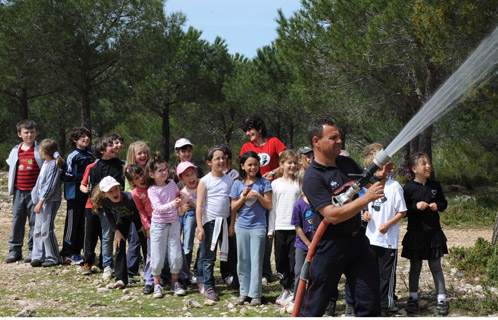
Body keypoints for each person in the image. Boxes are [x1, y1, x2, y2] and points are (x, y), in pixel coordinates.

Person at [298, 118, 386, 317]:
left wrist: (380, 176)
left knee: (370, 299)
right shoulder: (313, 177)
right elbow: (332, 215)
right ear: (316, 141)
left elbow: (371, 185)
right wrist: (365, 200)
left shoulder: (346, 162)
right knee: (315, 302)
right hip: (330, 245)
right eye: (333, 138)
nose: (339, 141)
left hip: (357, 241)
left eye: (339, 137)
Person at [240, 114, 286, 284]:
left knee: (270, 233)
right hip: (254, 196)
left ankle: (268, 272)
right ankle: (258, 271)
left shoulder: (274, 142)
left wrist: (273, 172)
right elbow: (244, 168)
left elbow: (286, 160)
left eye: (250, 129)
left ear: (259, 129)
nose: (247, 133)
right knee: (257, 232)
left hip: (274, 193)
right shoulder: (246, 147)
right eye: (246, 131)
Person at [361, 143, 407, 316]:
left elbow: (402, 211)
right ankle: (373, 304)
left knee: (385, 275)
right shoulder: (369, 187)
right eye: (374, 168)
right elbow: (365, 205)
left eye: (380, 167)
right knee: (371, 272)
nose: (377, 171)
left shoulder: (394, 187)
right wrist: (365, 213)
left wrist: (388, 224)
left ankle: (385, 305)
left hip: (388, 241)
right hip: (370, 238)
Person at [402, 152, 450, 316]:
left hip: (434, 234)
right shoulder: (408, 188)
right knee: (415, 267)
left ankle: (442, 300)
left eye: (429, 163)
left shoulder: (435, 185)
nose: (428, 166)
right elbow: (403, 211)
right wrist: (415, 207)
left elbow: (444, 202)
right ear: (414, 169)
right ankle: (413, 298)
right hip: (415, 234)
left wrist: (439, 205)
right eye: (424, 163)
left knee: (436, 266)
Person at [230, 151, 272, 306]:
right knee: (242, 260)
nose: (253, 167)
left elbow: (269, 205)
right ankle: (244, 293)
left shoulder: (264, 183)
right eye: (249, 164)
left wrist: (258, 196)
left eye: (255, 164)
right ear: (242, 166)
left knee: (256, 260)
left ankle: (256, 294)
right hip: (242, 227)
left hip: (258, 226)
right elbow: (233, 207)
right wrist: (243, 196)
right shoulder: (237, 184)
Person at [92, 176, 145, 289]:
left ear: (120, 188)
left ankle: (152, 276)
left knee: (145, 244)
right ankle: (121, 278)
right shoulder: (104, 201)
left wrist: (142, 226)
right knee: (119, 244)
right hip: (123, 218)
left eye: (116, 189)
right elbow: (109, 216)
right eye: (110, 191)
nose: (114, 193)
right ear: (104, 194)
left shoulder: (129, 198)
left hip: (138, 218)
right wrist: (116, 231)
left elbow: (139, 211)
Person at [196, 146, 234, 302]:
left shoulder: (230, 180)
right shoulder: (204, 181)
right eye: (217, 158)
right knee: (208, 256)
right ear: (209, 162)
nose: (221, 161)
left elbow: (232, 204)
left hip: (225, 222)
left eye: (223, 158)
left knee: (227, 253)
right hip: (210, 222)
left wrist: (232, 224)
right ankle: (208, 285)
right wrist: (199, 227)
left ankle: (229, 277)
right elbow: (199, 205)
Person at [146, 154, 186, 298]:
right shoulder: (152, 190)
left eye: (165, 169)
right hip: (158, 226)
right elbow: (157, 208)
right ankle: (157, 284)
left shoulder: (171, 183)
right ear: (151, 174)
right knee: (157, 255)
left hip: (174, 223)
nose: (164, 173)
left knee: (175, 254)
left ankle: (175, 282)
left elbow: (178, 194)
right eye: (160, 170)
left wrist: (181, 199)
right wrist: (173, 204)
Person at [5, 119, 44, 264]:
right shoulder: (16, 150)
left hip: (35, 193)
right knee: (17, 220)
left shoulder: (40, 149)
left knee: (35, 222)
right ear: (19, 134)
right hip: (19, 191)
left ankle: (33, 250)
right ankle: (14, 250)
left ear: (36, 133)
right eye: (26, 132)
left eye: (32, 132)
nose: (29, 135)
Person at [268, 150, 301, 306]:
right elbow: (272, 208)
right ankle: (285, 288)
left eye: (295, 162)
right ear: (281, 165)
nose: (292, 165)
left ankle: (295, 291)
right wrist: (271, 229)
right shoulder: (275, 184)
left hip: (296, 229)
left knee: (294, 260)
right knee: (281, 260)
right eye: (289, 162)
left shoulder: (299, 183)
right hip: (280, 227)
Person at [89, 136, 124, 280]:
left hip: (121, 205)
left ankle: (121, 264)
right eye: (110, 145)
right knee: (107, 236)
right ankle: (107, 265)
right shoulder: (96, 168)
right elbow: (95, 190)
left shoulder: (119, 164)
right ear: (102, 151)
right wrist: (100, 207)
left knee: (122, 235)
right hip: (106, 207)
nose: (114, 147)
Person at [60, 126, 94, 265]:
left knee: (83, 225)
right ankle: (66, 253)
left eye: (87, 136)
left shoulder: (91, 155)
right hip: (74, 195)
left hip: (87, 196)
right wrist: (83, 178)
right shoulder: (72, 156)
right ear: (74, 140)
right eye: (82, 136)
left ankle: (77, 252)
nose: (86, 138)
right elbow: (65, 175)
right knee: (72, 225)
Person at [30, 139, 65, 268]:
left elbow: (49, 186)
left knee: (46, 230)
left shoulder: (54, 165)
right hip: (40, 201)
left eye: (39, 149)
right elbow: (39, 183)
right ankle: (38, 256)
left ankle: (53, 257)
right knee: (37, 230)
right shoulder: (45, 163)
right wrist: (35, 198)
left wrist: (41, 201)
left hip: (49, 201)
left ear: (44, 151)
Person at [123, 141, 151, 284]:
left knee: (149, 242)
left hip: (150, 212)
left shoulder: (150, 169)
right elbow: (128, 191)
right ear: (133, 155)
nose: (143, 155)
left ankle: (150, 268)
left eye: (144, 152)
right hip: (136, 213)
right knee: (135, 241)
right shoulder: (129, 171)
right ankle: (130, 271)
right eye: (139, 153)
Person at [125, 164, 154, 295]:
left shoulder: (154, 184)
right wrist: (146, 226)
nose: (141, 179)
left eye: (141, 174)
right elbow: (141, 211)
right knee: (149, 252)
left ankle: (168, 275)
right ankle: (148, 279)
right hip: (148, 223)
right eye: (137, 178)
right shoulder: (136, 193)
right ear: (132, 183)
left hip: (165, 220)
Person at [79, 144, 103, 275]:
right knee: (89, 235)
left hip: (106, 207)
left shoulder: (115, 165)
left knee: (105, 236)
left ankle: (105, 262)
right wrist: (85, 189)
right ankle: (87, 261)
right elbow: (82, 185)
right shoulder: (91, 167)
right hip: (90, 205)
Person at [177, 161, 199, 287]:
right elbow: (179, 212)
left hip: (201, 215)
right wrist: (182, 209)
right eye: (187, 175)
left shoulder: (202, 184)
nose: (191, 177)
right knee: (185, 244)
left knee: (190, 243)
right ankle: (184, 273)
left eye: (192, 173)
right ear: (181, 179)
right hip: (188, 213)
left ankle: (192, 272)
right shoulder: (183, 193)